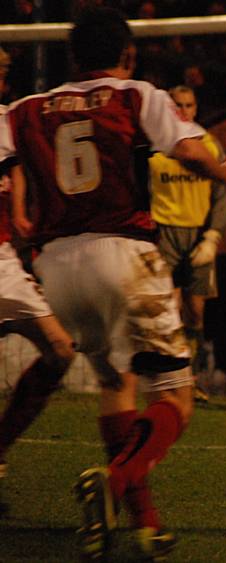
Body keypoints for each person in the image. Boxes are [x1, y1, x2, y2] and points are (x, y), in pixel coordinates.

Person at [0, 6, 226, 561]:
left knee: (116, 385)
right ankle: (114, 480)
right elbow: (186, 149)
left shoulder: (26, 108)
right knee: (176, 396)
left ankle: (144, 523)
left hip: (58, 269)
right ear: (127, 55)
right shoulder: (135, 94)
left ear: (72, 58)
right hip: (125, 256)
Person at [0, 128, 75, 516]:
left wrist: (21, 218)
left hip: (4, 264)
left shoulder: (9, 121)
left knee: (60, 350)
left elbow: (19, 168)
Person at [148, 85, 226, 403]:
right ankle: (169, 379)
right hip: (164, 233)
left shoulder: (209, 145)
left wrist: (213, 236)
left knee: (195, 313)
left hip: (198, 235)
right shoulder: (155, 146)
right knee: (166, 310)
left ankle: (191, 377)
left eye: (189, 105)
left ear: (196, 108)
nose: (183, 110)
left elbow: (222, 192)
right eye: (177, 104)